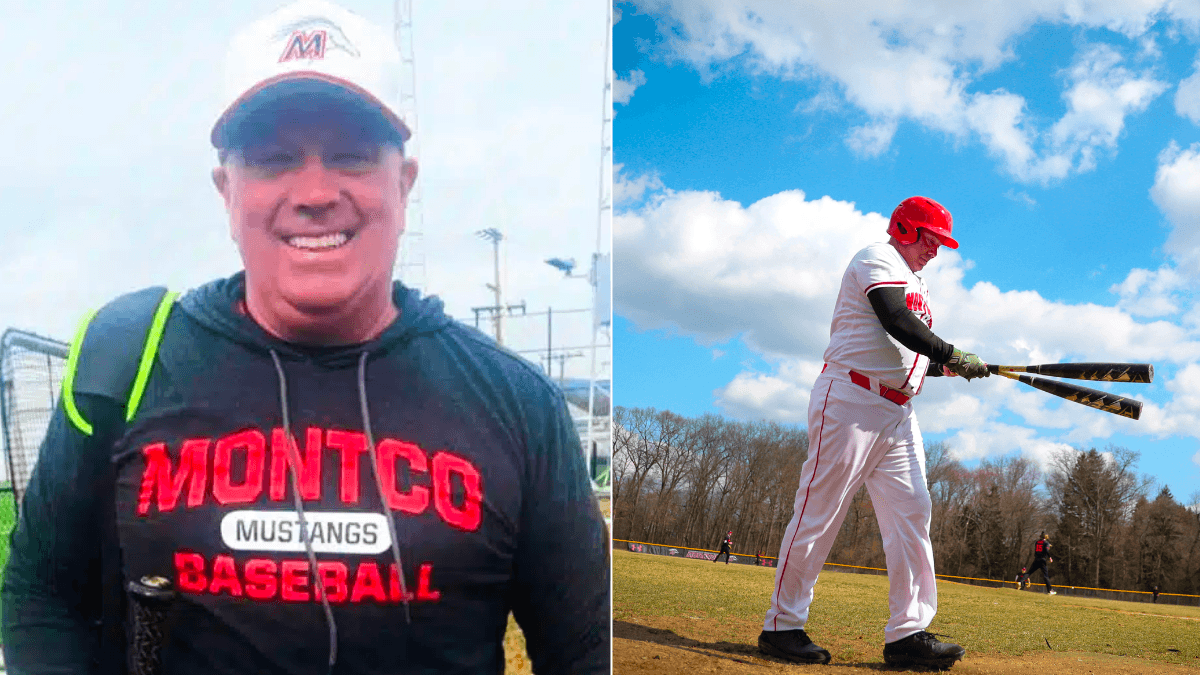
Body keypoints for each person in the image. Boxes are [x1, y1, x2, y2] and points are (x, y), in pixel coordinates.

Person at [0, 2, 610, 674]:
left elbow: (585, 647)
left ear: (403, 186)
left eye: (350, 155)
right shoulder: (125, 359)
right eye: (273, 158)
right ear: (225, 190)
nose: (315, 190)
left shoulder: (519, 405)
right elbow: (42, 594)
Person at [758, 197, 987, 670]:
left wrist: (951, 365)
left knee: (912, 514)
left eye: (941, 243)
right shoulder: (875, 258)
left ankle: (907, 633)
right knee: (818, 512)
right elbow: (894, 320)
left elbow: (910, 353)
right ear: (904, 229)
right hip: (850, 400)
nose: (936, 251)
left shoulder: (917, 281)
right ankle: (782, 626)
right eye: (931, 239)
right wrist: (952, 352)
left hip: (899, 413)